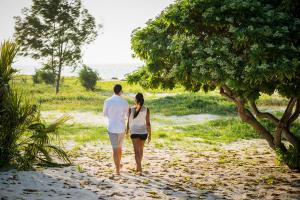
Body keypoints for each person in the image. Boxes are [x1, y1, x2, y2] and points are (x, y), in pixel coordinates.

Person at [103, 84, 129, 175]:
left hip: (112, 127)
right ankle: (118, 165)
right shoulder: (124, 102)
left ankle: (117, 169)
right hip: (121, 128)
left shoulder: (107, 101)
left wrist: (112, 116)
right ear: (120, 91)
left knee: (115, 149)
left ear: (113, 90)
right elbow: (127, 115)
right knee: (120, 148)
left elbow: (105, 114)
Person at [126, 93, 151, 175]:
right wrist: (150, 134)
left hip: (134, 132)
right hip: (144, 132)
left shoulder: (131, 109)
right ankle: (138, 167)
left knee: (136, 151)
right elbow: (148, 123)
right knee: (141, 150)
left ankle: (139, 169)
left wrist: (127, 131)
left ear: (135, 99)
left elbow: (128, 121)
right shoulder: (146, 109)